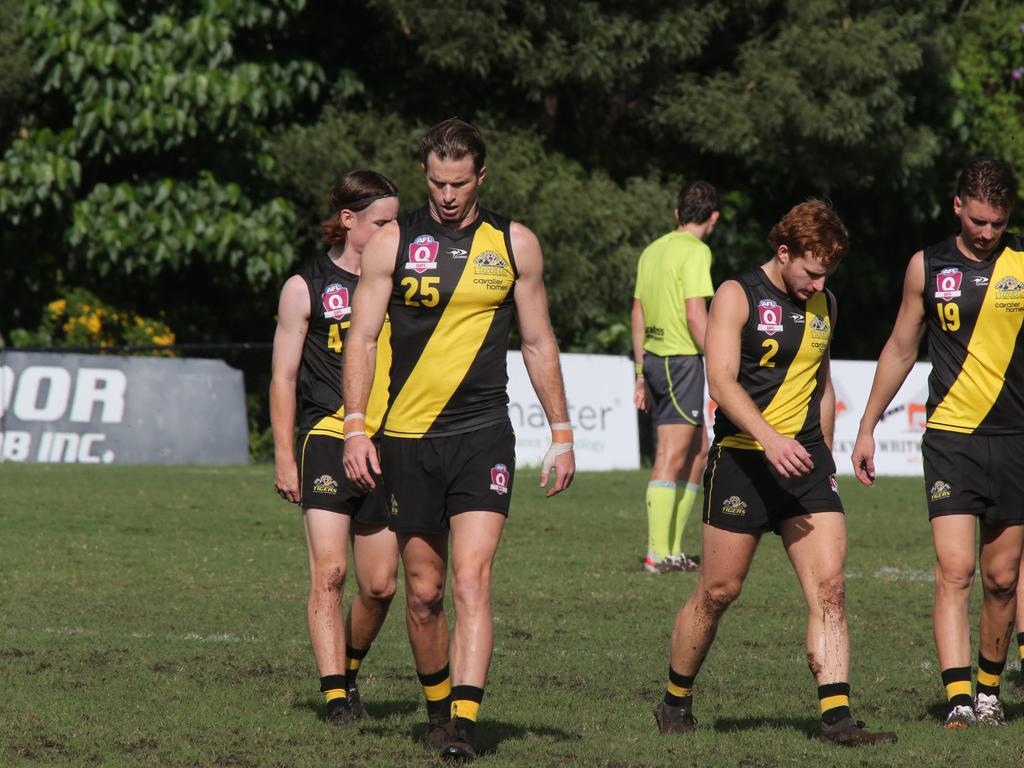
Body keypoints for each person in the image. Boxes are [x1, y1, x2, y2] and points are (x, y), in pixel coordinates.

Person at [342, 118, 576, 762]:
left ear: (481, 176)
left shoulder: (514, 243)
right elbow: (361, 339)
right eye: (438, 182)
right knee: (423, 592)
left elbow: (537, 341)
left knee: (472, 580)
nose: (448, 195)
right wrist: (356, 426)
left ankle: (463, 724)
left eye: (460, 182)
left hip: (482, 434)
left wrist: (562, 433)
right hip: (408, 439)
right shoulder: (391, 243)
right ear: (427, 177)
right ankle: (438, 707)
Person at [655, 201, 897, 746]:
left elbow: (824, 379)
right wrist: (770, 440)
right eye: (811, 272)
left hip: (805, 463)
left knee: (831, 588)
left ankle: (837, 720)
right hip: (744, 458)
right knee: (718, 592)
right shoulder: (736, 295)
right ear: (783, 252)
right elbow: (720, 381)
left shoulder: (825, 302)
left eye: (826, 275)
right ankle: (675, 701)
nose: (818, 283)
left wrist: (826, 452)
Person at [852, 158, 1024, 729]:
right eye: (977, 220)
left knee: (1002, 579)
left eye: (997, 224)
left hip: (1015, 440)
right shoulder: (927, 266)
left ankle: (991, 692)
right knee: (956, 571)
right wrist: (867, 425)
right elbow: (902, 347)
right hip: (950, 437)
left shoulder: (1022, 262)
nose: (986, 233)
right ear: (957, 206)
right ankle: (957, 699)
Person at [270, 171, 400, 725]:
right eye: (383, 223)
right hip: (325, 437)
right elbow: (282, 377)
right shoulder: (306, 287)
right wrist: (283, 455)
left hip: (390, 443)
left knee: (380, 585)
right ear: (349, 221)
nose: (395, 231)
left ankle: (347, 672)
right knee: (329, 572)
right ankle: (332, 697)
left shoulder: (403, 283)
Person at [632, 181, 718, 574]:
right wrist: (719, 363)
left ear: (677, 214)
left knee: (699, 453)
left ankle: (671, 550)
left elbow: (637, 312)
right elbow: (695, 314)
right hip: (680, 360)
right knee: (670, 456)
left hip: (654, 360)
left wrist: (638, 370)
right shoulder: (697, 252)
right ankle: (656, 554)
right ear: (713, 218)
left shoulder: (653, 250)